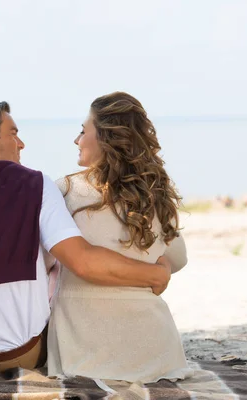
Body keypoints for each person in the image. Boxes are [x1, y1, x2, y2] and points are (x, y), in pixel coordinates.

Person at [0, 101, 174, 386]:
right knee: (54, 264)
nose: (20, 143)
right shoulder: (36, 185)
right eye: (13, 133)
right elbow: (82, 262)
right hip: (24, 356)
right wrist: (154, 274)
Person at [47, 92, 193, 383]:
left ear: (104, 138)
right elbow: (178, 258)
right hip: (156, 350)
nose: (77, 140)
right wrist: (157, 269)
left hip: (83, 348)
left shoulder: (63, 190)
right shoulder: (157, 193)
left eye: (82, 131)